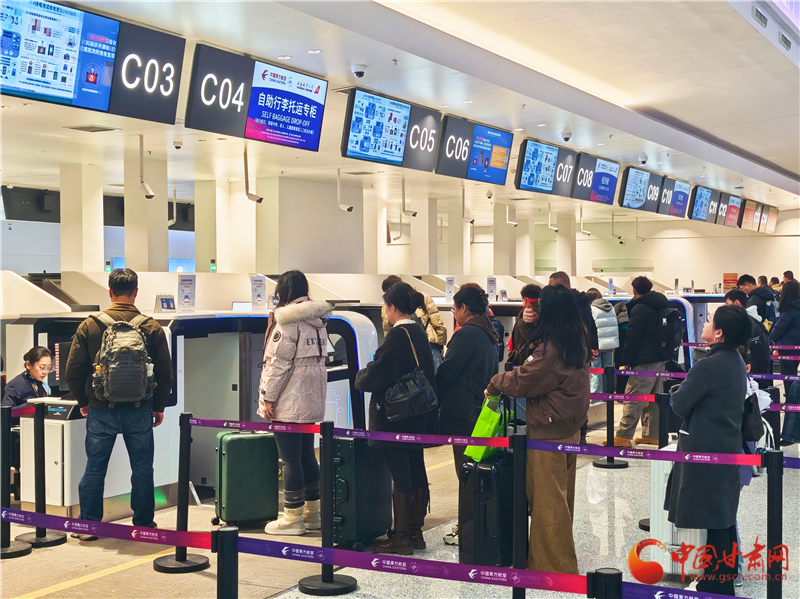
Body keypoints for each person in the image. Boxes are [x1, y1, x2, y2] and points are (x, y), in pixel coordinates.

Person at [486, 284, 590, 575]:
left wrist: (495, 383)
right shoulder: (576, 336)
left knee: (547, 503)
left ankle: (555, 568)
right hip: (569, 427)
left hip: (548, 433)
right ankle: (552, 557)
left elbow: (525, 378)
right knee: (561, 498)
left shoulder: (551, 349)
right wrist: (526, 325)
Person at [65, 269, 173, 540]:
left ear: (110, 291)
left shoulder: (90, 325)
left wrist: (84, 401)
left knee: (95, 468)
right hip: (139, 409)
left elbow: (72, 371)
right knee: (142, 468)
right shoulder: (151, 326)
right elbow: (165, 373)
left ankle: (89, 526)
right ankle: (143, 524)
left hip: (101, 409)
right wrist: (159, 406)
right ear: (136, 292)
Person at [665, 304, 751, 596]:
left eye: (710, 320)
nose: (704, 322)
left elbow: (680, 404)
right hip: (726, 445)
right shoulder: (735, 359)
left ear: (719, 333)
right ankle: (721, 578)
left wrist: (676, 392)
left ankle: (716, 584)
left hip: (705, 449)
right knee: (721, 516)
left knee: (713, 518)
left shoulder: (708, 365)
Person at [355, 282, 438, 555]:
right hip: (418, 415)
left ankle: (401, 538)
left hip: (396, 418)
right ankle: (415, 532)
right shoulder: (419, 332)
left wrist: (361, 375)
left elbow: (376, 375)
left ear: (391, 307)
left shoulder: (397, 336)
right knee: (416, 469)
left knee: (400, 475)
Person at [258, 270, 331, 535]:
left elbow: (278, 364)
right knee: (307, 455)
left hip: (289, 399)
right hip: (311, 398)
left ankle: (292, 518)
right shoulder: (318, 321)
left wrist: (268, 397)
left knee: (290, 460)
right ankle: (312, 514)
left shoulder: (288, 321)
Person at [435, 285, 499, 546]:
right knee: (475, 472)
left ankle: (468, 529)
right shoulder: (488, 332)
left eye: (454, 308)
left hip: (462, 412)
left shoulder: (467, 333)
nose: (454, 312)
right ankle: (475, 525)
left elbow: (448, 371)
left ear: (463, 308)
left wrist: (434, 390)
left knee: (466, 474)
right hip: (479, 410)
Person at [609, 276, 669, 447]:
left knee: (633, 396)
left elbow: (633, 337)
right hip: (660, 359)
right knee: (653, 398)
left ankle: (623, 436)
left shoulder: (640, 308)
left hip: (644, 360)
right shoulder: (661, 304)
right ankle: (653, 434)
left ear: (634, 291)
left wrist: (626, 361)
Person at [2, 347, 51, 483]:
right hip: (19, 435)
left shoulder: (40, 384)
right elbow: (6, 413)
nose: (45, 372)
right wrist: (31, 408)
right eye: (42, 368)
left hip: (36, 430)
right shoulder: (15, 386)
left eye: (49, 368)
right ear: (29, 365)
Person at [381, 275, 447, 370]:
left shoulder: (388, 305)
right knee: (433, 377)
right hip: (430, 345)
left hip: (403, 350)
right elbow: (438, 323)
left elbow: (387, 330)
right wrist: (440, 345)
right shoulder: (421, 297)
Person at [724, 289, 771, 388]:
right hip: (760, 373)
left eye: (727, 304)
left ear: (737, 303)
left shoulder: (743, 323)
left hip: (751, 375)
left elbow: (743, 349)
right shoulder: (753, 320)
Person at [586, 288, 619, 393]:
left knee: (596, 371)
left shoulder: (591, 309)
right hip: (610, 344)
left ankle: (597, 396)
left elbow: (591, 328)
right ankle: (608, 393)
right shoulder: (611, 308)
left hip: (597, 344)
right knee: (608, 370)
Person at [770, 279, 800, 390]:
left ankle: (791, 398)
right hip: (796, 346)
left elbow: (779, 329)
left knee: (789, 378)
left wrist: (770, 339)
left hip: (788, 348)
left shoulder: (790, 310)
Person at [508, 284, 540, 366]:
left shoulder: (526, 312)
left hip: (526, 356)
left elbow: (520, 336)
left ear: (525, 299)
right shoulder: (543, 310)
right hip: (538, 357)